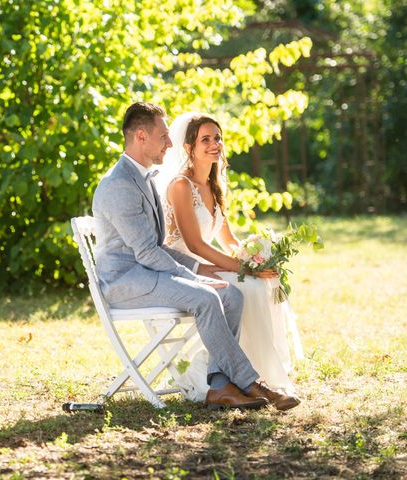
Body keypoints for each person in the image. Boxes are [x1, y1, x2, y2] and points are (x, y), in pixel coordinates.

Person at [92, 102, 299, 410]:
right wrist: (196, 277)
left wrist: (201, 274)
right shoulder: (119, 184)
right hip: (126, 281)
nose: (170, 142)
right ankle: (252, 383)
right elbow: (147, 253)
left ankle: (218, 386)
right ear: (141, 136)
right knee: (206, 297)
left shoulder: (144, 177)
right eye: (163, 135)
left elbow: (158, 247)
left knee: (231, 295)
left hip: (148, 272)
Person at [156, 111, 302, 402]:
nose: (214, 144)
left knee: (262, 284)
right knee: (246, 286)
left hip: (209, 264)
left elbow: (228, 240)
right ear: (189, 148)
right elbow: (195, 246)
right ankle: (242, 379)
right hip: (184, 268)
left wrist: (258, 259)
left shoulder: (214, 185)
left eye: (217, 138)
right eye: (205, 139)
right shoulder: (180, 186)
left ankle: (249, 373)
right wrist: (244, 270)